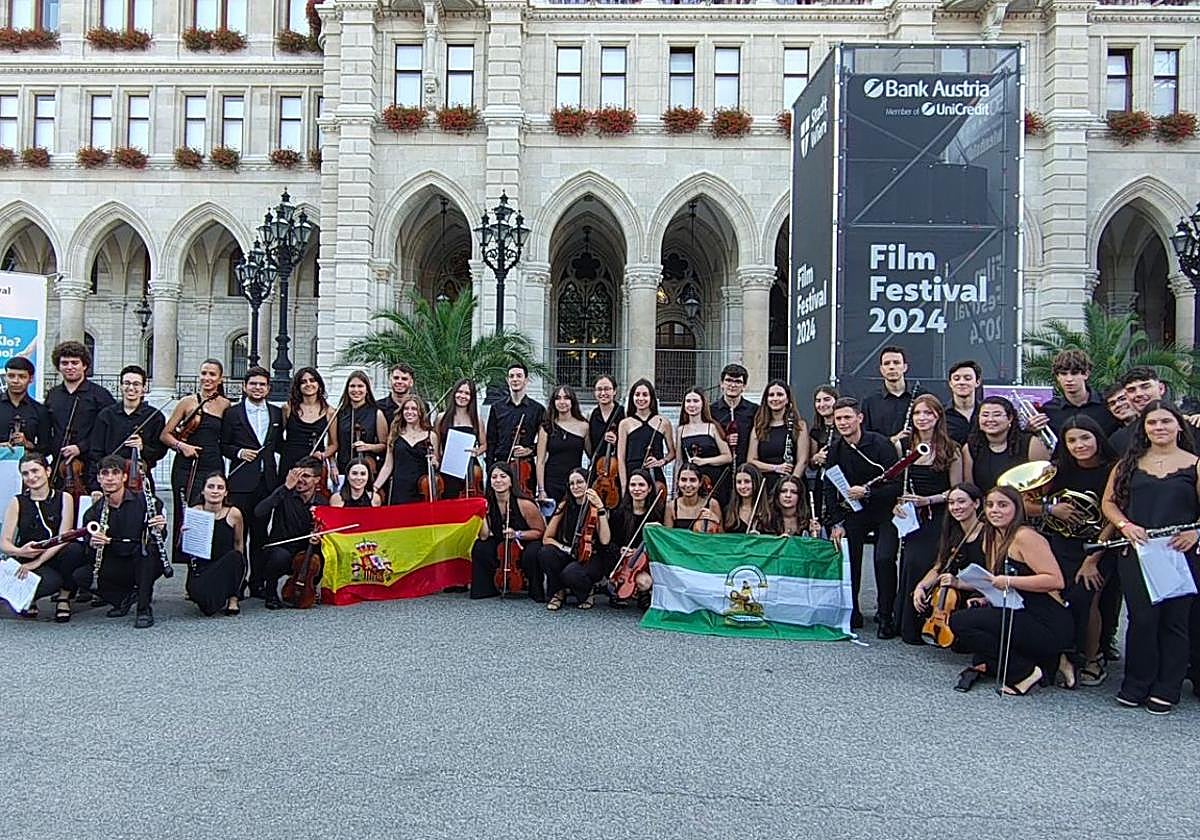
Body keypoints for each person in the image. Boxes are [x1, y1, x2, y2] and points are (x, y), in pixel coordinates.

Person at [1102, 400, 1200, 714]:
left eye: (1165, 422)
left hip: (1179, 554)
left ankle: (1167, 688)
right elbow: (1109, 502)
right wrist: (1124, 525)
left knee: (1174, 622)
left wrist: (1196, 533)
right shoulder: (1128, 463)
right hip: (1137, 552)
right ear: (1143, 428)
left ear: (1178, 426)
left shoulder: (1195, 464)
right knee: (1142, 619)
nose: (1159, 428)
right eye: (1152, 423)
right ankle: (1136, 683)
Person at [945, 486, 1073, 695]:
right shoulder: (992, 539)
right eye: (990, 505)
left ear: (1017, 509)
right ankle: (1051, 660)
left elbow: (1055, 580)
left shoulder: (1026, 537)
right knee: (966, 622)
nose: (995, 510)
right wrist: (986, 599)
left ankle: (1023, 672)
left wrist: (1009, 581)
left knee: (961, 623)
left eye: (1003, 505)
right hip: (1022, 611)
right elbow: (999, 583)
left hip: (1047, 620)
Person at [1037, 416, 1118, 688]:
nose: (1079, 445)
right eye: (1071, 440)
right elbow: (1026, 503)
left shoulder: (1113, 468)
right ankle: (1063, 654)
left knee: (1087, 596)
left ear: (1097, 438)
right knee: (1057, 596)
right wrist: (1051, 508)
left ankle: (1093, 658)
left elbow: (1111, 516)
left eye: (1085, 438)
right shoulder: (1057, 469)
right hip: (1060, 542)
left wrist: (1092, 559)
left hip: (1098, 546)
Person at [822, 397, 900, 635]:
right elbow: (829, 487)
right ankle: (852, 610)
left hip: (885, 510)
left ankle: (886, 615)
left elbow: (898, 485)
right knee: (850, 557)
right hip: (854, 513)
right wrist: (836, 522)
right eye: (838, 419)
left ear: (859, 418)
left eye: (847, 417)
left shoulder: (881, 444)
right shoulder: (835, 449)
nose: (843, 423)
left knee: (884, 558)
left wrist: (867, 491)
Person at [893, 395, 963, 645]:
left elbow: (957, 490)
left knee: (930, 562)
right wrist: (898, 504)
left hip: (940, 515)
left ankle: (933, 623)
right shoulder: (903, 446)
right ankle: (908, 625)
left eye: (928, 414)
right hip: (912, 517)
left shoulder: (951, 449)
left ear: (938, 418)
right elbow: (894, 484)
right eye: (918, 414)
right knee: (910, 562)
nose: (922, 418)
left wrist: (928, 500)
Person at [78, 454, 168, 628]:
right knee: (81, 575)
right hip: (117, 561)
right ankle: (124, 598)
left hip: (143, 561)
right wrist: (94, 542)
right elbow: (89, 549)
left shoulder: (146, 501)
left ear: (124, 477)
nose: (110, 478)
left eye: (115, 473)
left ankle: (144, 608)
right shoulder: (93, 512)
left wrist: (160, 529)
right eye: (105, 473)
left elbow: (159, 540)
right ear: (99, 478)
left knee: (147, 551)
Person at [219, 366, 283, 597]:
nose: (257, 388)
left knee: (260, 535)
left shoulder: (276, 414)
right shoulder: (233, 413)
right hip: (241, 483)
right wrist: (238, 453)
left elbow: (278, 444)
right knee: (238, 535)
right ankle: (237, 581)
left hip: (266, 482)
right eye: (253, 384)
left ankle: (258, 582)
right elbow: (223, 445)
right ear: (245, 386)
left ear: (268, 388)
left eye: (262, 384)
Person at [0, 453, 86, 622]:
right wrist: (21, 551)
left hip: (55, 553)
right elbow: (4, 542)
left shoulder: (64, 498)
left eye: (35, 471)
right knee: (50, 582)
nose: (31, 477)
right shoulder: (17, 501)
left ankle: (64, 597)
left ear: (47, 471)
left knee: (74, 550)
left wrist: (37, 562)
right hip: (29, 555)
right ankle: (29, 597)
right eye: (25, 473)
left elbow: (64, 536)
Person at [161, 359, 231, 564]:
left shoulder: (226, 405)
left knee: (211, 515)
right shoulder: (188, 402)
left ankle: (208, 567)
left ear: (220, 379)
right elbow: (165, 435)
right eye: (204, 373)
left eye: (212, 374)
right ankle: (190, 567)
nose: (207, 378)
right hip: (186, 465)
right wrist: (182, 447)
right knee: (188, 516)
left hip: (212, 466)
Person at [912, 483, 985, 679]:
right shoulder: (952, 531)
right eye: (952, 502)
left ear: (976, 504)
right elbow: (939, 566)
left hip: (982, 590)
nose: (956, 507)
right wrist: (921, 586)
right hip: (957, 585)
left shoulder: (988, 534)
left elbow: (991, 579)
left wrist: (960, 583)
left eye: (962, 502)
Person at [255, 456, 330, 610]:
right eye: (298, 475)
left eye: (306, 476)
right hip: (282, 548)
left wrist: (319, 538)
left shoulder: (322, 502)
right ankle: (270, 591)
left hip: (305, 550)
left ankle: (309, 587)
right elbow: (259, 512)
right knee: (279, 557)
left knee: (324, 556)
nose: (300, 480)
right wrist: (285, 488)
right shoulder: (285, 493)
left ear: (317, 480)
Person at [44, 340, 115, 498]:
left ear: (84, 365)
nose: (69, 367)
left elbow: (107, 431)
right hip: (59, 465)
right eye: (64, 363)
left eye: (75, 363)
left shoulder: (100, 395)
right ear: (59, 366)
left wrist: (80, 447)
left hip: (90, 465)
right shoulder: (53, 395)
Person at [469, 462, 546, 600]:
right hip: (501, 540)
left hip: (526, 540)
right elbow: (484, 536)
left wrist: (517, 534)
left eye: (503, 476)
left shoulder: (524, 504)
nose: (498, 480)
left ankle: (535, 589)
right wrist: (482, 515)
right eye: (494, 477)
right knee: (480, 547)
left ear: (511, 481)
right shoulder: (487, 503)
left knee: (532, 552)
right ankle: (486, 589)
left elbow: (540, 531)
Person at [536, 469, 611, 610]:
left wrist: (600, 508)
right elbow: (547, 538)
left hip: (590, 556)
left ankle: (587, 592)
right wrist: (566, 548)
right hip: (570, 551)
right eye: (572, 483)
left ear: (588, 483)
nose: (575, 487)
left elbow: (605, 540)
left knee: (571, 573)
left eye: (580, 482)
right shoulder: (564, 505)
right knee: (546, 553)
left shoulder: (596, 507)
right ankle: (558, 592)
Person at [88, 365, 167, 495]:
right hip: (110, 478)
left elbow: (160, 452)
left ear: (143, 389)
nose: (131, 388)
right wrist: (96, 485)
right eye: (127, 383)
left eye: (136, 384)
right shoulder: (106, 415)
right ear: (120, 387)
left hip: (140, 480)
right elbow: (96, 452)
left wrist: (143, 448)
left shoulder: (155, 417)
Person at [181, 472, 245, 617]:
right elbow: (187, 553)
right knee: (208, 609)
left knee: (235, 556)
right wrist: (185, 536)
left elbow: (239, 543)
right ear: (203, 491)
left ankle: (233, 598)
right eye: (210, 487)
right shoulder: (195, 511)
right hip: (203, 567)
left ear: (225, 492)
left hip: (225, 564)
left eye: (220, 487)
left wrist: (239, 569)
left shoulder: (234, 514)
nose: (215, 491)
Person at [960, 396, 1049, 492]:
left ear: (1010, 418)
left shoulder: (1031, 443)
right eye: (985, 415)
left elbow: (1045, 481)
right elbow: (969, 488)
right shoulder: (970, 447)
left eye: (997, 415)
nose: (990, 419)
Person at [485, 362, 545, 497]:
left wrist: (530, 450)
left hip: (526, 467)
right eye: (511, 376)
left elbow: (546, 441)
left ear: (526, 380)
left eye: (519, 376)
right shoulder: (497, 408)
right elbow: (491, 441)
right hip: (501, 465)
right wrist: (490, 470)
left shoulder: (537, 409)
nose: (515, 379)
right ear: (507, 380)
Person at [609, 468, 666, 609]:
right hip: (623, 562)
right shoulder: (619, 513)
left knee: (645, 582)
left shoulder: (657, 513)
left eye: (641, 485)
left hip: (644, 562)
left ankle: (643, 595)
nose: (637, 489)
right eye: (633, 485)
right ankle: (616, 589)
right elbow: (609, 542)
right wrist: (620, 549)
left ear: (649, 489)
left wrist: (658, 529)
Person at [1032, 349, 1119, 438]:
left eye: (1074, 373)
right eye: (1063, 374)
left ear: (1086, 374)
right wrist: (1031, 429)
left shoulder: (1107, 404)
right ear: (1057, 376)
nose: (1069, 379)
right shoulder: (1049, 410)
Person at [372, 397, 440, 504]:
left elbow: (436, 464)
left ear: (420, 412)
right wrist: (375, 488)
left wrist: (434, 462)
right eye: (406, 409)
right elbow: (388, 465)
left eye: (413, 409)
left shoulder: (431, 436)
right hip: (400, 489)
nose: (409, 412)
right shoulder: (394, 435)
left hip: (422, 489)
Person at [747, 379, 808, 492]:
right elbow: (751, 460)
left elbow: (802, 460)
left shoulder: (799, 426)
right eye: (771, 395)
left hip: (793, 485)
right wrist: (776, 468)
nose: (775, 398)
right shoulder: (759, 427)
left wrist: (791, 484)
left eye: (780, 394)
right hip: (766, 484)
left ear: (787, 399)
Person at [535, 384, 590, 506]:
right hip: (551, 482)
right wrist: (541, 490)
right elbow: (540, 461)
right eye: (558, 398)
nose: (562, 402)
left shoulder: (584, 426)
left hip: (574, 483)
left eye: (566, 398)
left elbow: (591, 454)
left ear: (572, 401)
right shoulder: (546, 427)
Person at [279, 367, 337, 480]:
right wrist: (287, 451)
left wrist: (323, 455)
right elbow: (277, 436)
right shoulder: (288, 408)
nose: (308, 384)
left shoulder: (330, 412)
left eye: (312, 380)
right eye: (303, 382)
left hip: (314, 463)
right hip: (290, 461)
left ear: (319, 384)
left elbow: (334, 444)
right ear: (298, 386)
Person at [617, 378, 675, 492]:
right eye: (637, 394)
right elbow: (621, 457)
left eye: (645, 395)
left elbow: (672, 452)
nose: (641, 398)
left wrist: (661, 461)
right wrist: (624, 485)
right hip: (632, 474)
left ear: (651, 398)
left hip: (655, 474)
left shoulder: (663, 422)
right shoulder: (625, 423)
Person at [675, 387, 732, 499]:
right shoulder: (680, 430)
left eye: (696, 401)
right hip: (689, 482)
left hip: (712, 480)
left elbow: (728, 457)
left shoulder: (712, 427)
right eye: (688, 401)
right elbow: (679, 461)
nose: (692, 405)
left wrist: (704, 461)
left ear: (703, 404)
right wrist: (675, 488)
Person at [435, 378, 486, 499]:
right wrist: (436, 461)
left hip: (469, 468)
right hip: (448, 469)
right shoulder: (441, 417)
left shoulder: (476, 420)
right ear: (454, 393)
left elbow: (484, 444)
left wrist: (477, 451)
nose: (462, 396)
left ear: (472, 397)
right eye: (460, 392)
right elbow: (436, 445)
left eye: (467, 393)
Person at [334, 370, 388, 480]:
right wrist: (332, 465)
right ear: (347, 389)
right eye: (352, 386)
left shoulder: (376, 413)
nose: (356, 390)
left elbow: (384, 445)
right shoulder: (339, 413)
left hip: (367, 467)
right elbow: (333, 444)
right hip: (343, 466)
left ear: (367, 389)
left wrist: (368, 446)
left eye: (360, 386)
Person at [861, 346, 915, 444]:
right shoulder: (869, 401)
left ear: (905, 367)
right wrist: (891, 441)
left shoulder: (920, 396)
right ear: (881, 369)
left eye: (896, 363)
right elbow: (865, 436)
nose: (891, 367)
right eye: (886, 363)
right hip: (881, 457)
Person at [713, 363, 757, 478]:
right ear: (721, 384)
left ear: (744, 386)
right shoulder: (711, 411)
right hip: (719, 473)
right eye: (728, 380)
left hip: (746, 472)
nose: (732, 385)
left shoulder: (754, 410)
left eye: (738, 382)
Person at [0, 356, 50, 454]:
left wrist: (27, 444)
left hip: (27, 466)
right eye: (11, 376)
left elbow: (46, 448)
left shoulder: (40, 410)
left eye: (22, 376)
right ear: (5, 377)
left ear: (31, 379)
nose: (15, 381)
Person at [807, 385, 839, 523]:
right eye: (818, 401)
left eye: (827, 399)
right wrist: (816, 458)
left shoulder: (845, 427)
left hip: (842, 482)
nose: (822, 404)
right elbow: (812, 464)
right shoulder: (816, 431)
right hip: (823, 482)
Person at [664, 463, 722, 531]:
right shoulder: (671, 507)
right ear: (678, 482)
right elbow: (667, 536)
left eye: (693, 480)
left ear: (700, 483)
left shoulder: (712, 504)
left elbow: (721, 537)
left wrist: (717, 521)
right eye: (683, 480)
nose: (688, 485)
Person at [944, 360, 981, 446]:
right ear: (950, 383)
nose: (961, 382)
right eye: (956, 379)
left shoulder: (986, 413)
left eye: (967, 378)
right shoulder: (940, 414)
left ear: (977, 382)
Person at [724, 464, 766, 534]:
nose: (742, 486)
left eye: (747, 481)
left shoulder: (769, 511)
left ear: (756, 481)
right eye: (739, 482)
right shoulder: (727, 511)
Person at [379, 362, 416, 427]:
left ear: (411, 382)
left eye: (404, 379)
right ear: (390, 380)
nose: (399, 381)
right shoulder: (378, 407)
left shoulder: (422, 407)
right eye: (396, 378)